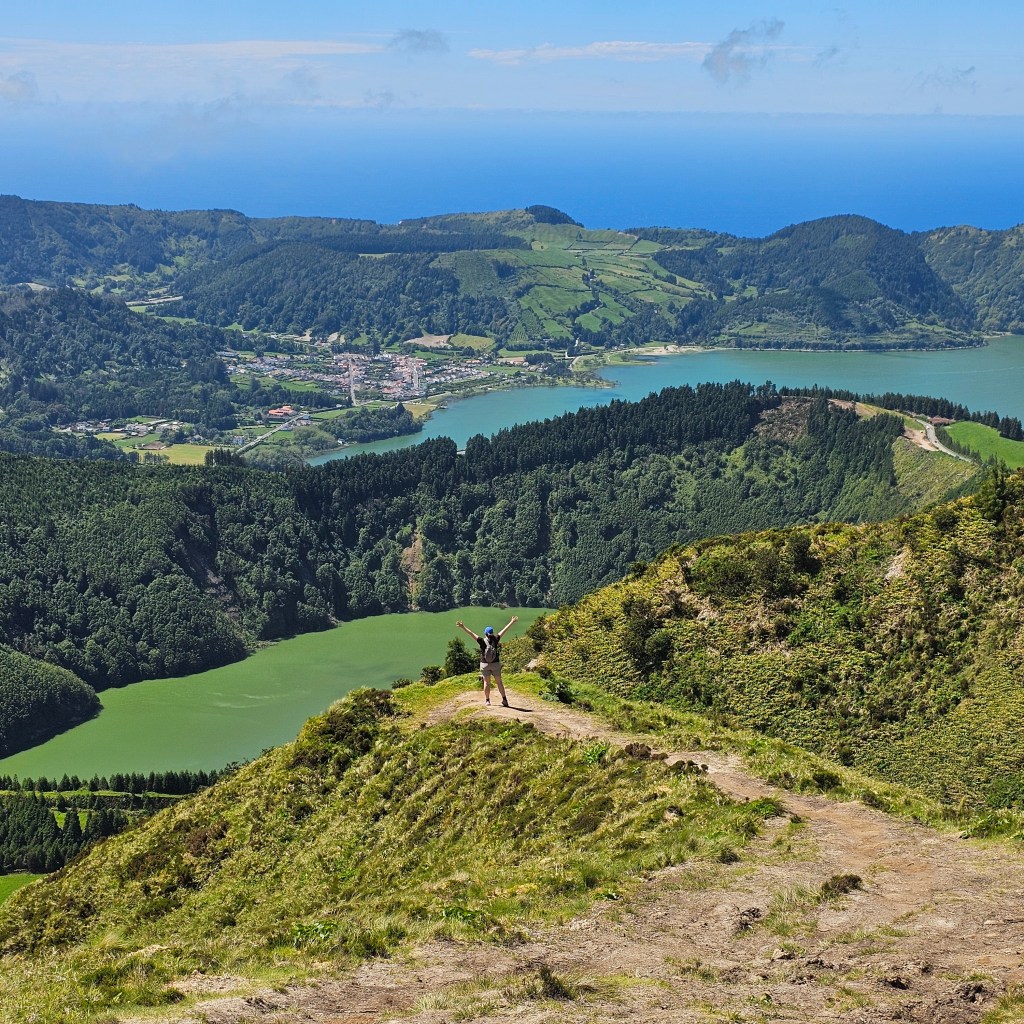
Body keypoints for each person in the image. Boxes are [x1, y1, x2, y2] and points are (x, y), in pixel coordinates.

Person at [456, 615, 519, 706]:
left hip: (485, 664)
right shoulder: (496, 639)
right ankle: (504, 700)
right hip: (495, 664)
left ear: (485, 633)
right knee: (499, 682)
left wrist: (463, 627)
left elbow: (471, 633)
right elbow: (504, 630)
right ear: (492, 633)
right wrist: (512, 622)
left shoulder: (481, 641)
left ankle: (487, 701)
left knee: (486, 682)